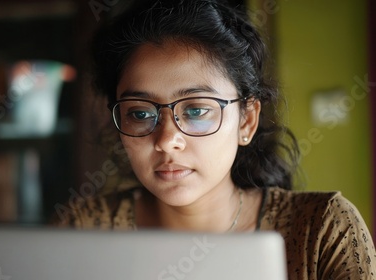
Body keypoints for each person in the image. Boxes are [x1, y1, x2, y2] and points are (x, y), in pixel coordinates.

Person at [53, 0, 376, 278]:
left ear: (246, 121)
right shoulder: (84, 229)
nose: (167, 140)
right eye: (140, 113)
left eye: (196, 110)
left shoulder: (321, 230)